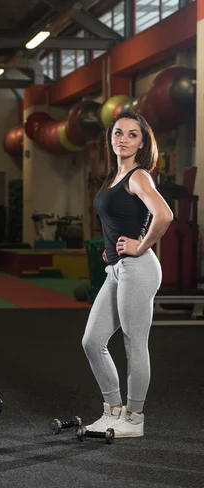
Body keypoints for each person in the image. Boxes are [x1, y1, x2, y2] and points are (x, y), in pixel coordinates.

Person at [81, 111, 174, 438]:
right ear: (110, 138)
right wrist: (112, 246)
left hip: (139, 268)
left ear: (142, 142)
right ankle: (113, 412)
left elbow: (163, 214)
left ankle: (134, 420)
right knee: (92, 341)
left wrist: (139, 245)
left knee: (134, 344)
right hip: (117, 268)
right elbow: (119, 218)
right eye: (118, 132)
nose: (123, 138)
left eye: (132, 134)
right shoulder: (113, 177)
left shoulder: (138, 176)